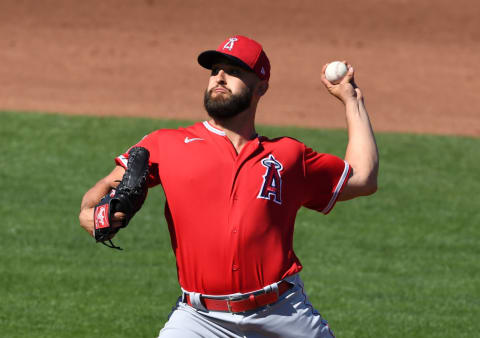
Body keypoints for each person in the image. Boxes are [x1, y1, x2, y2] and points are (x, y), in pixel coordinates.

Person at [79, 35, 379, 338]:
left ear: (261, 86)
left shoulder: (288, 156)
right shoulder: (165, 144)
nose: (220, 77)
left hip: (283, 313)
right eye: (215, 71)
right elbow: (102, 189)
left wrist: (353, 101)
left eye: (234, 71)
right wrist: (89, 215)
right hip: (199, 319)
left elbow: (363, 179)